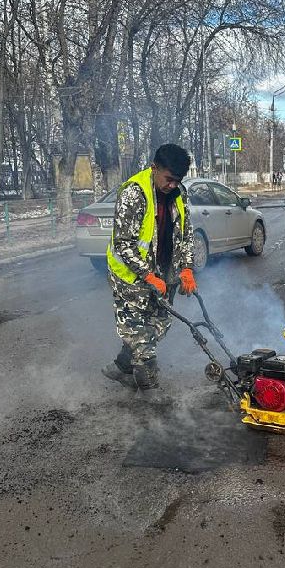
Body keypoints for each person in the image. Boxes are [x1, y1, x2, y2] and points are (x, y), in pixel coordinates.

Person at [102, 143, 196, 392]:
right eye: (169, 179)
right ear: (154, 168)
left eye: (178, 180)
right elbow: (124, 243)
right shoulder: (134, 193)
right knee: (141, 339)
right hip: (130, 277)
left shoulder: (179, 193)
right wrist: (147, 275)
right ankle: (150, 392)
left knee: (159, 324)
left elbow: (186, 234)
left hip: (166, 274)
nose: (173, 185)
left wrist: (186, 268)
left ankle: (121, 366)